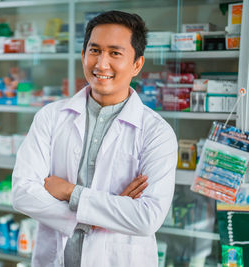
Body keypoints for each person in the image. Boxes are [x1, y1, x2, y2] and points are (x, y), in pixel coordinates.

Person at [12, 10, 177, 267]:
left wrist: (70, 192)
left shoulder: (157, 132)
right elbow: (23, 193)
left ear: (137, 64)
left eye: (115, 53)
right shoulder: (51, 117)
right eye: (95, 50)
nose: (101, 64)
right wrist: (101, 214)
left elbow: (147, 218)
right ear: (83, 55)